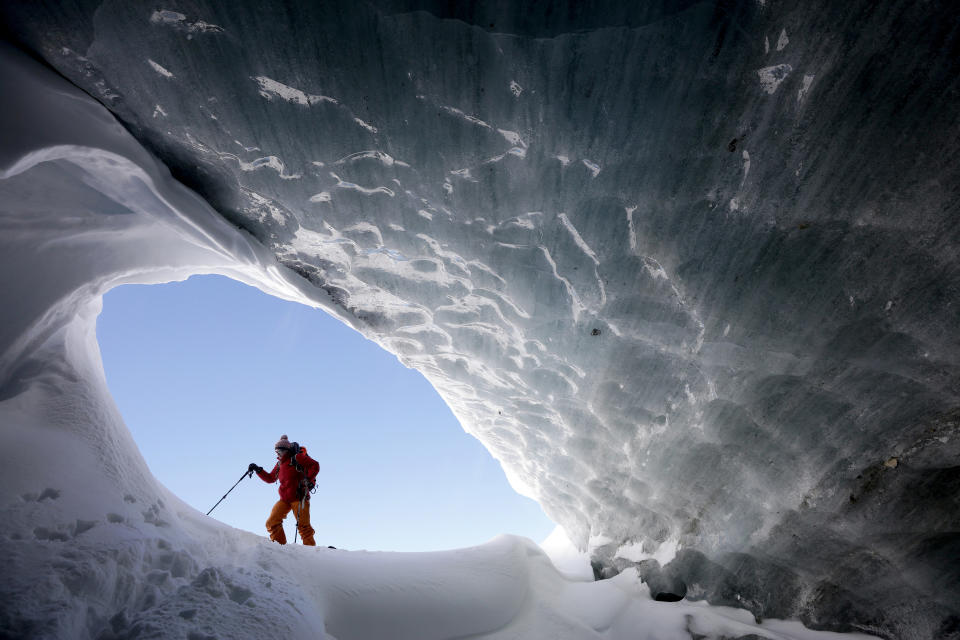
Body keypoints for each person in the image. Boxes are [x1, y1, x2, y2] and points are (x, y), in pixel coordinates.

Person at [248, 435, 319, 546]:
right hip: (284, 499)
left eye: (280, 450)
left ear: (287, 450)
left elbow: (315, 465)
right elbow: (271, 478)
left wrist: (307, 480)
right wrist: (258, 470)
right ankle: (280, 548)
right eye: (276, 451)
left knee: (303, 527)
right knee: (271, 523)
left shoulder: (297, 458)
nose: (277, 453)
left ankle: (310, 552)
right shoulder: (280, 464)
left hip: (299, 497)